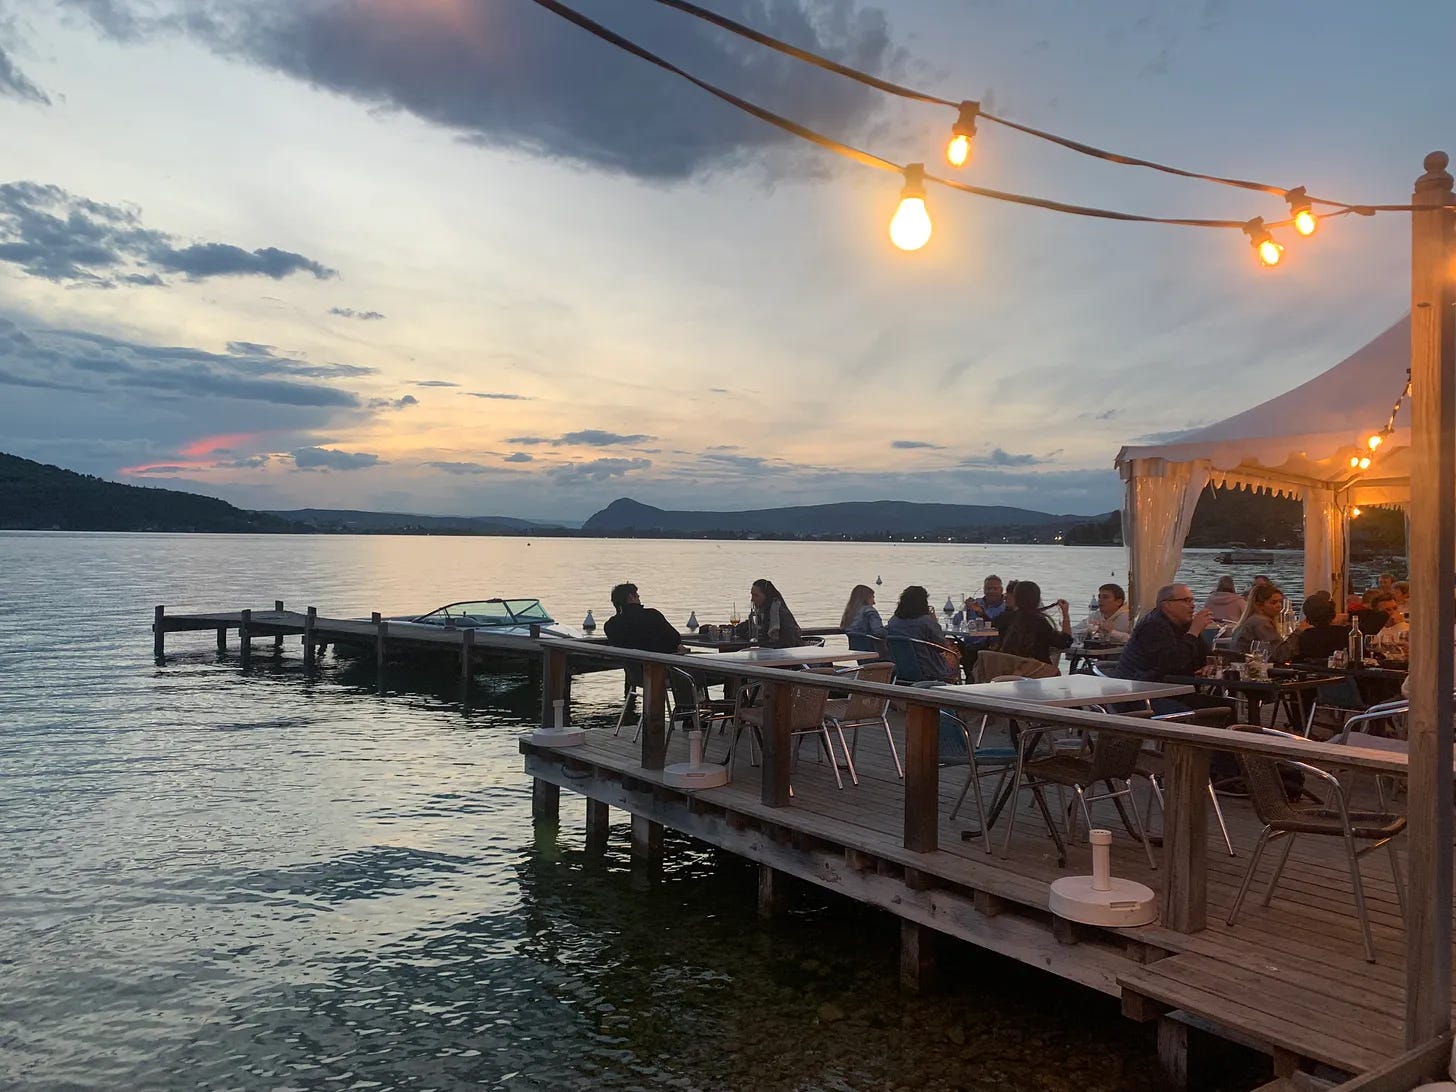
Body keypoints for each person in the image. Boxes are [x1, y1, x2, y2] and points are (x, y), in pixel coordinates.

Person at [1119, 583, 1214, 685]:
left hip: (1175, 685)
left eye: (1192, 600)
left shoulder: (1185, 623)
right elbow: (1172, 664)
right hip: (1144, 689)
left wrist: (1209, 665)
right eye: (1187, 601)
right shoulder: (1153, 625)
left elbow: (1206, 656)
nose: (1193, 605)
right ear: (1167, 605)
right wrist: (1193, 632)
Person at [604, 583, 685, 693]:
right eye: (637, 595)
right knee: (695, 670)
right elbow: (675, 638)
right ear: (630, 597)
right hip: (662, 672)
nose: (639, 597)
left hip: (634, 674)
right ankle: (691, 706)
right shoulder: (652, 615)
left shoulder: (610, 625)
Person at [886, 585, 961, 682]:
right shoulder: (926, 621)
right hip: (929, 670)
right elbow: (942, 645)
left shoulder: (893, 621)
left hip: (902, 669)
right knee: (955, 653)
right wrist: (934, 621)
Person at [998, 580, 1073, 664]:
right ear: (1037, 599)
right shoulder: (1040, 623)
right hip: (1035, 672)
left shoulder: (1005, 619)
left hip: (1008, 669)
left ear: (1015, 598)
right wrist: (1065, 614)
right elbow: (1065, 642)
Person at [1272, 590, 1349, 662]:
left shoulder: (1305, 637)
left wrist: (1298, 631)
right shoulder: (1346, 633)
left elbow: (1282, 656)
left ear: (1307, 616)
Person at [746, 578, 802, 648]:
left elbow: (790, 642)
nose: (752, 599)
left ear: (766, 596)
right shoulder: (760, 612)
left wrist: (764, 646)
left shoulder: (779, 612)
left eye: (756, 595)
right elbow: (753, 626)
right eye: (752, 595)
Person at [1231, 582, 1285, 653]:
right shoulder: (1260, 622)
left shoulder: (1252, 619)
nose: (1279, 605)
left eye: (1280, 602)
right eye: (1273, 602)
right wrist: (1298, 632)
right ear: (1259, 605)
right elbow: (1280, 652)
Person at [840, 584, 886, 651]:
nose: (874, 602)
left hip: (856, 650)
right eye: (872, 597)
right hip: (874, 651)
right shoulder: (870, 611)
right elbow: (879, 632)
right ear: (866, 598)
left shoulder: (850, 613)